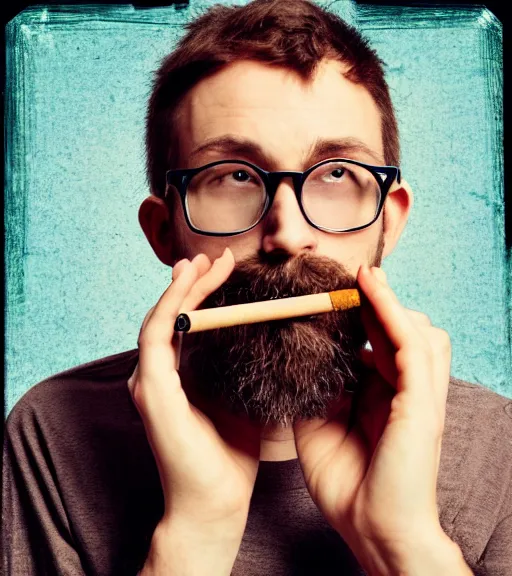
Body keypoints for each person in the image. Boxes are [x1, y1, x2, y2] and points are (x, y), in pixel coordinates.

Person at [3, 0, 511, 574]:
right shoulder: (53, 432)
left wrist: (405, 546)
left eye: (338, 173)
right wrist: (196, 536)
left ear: (388, 220)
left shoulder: (497, 446)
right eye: (234, 177)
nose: (287, 234)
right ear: (164, 231)